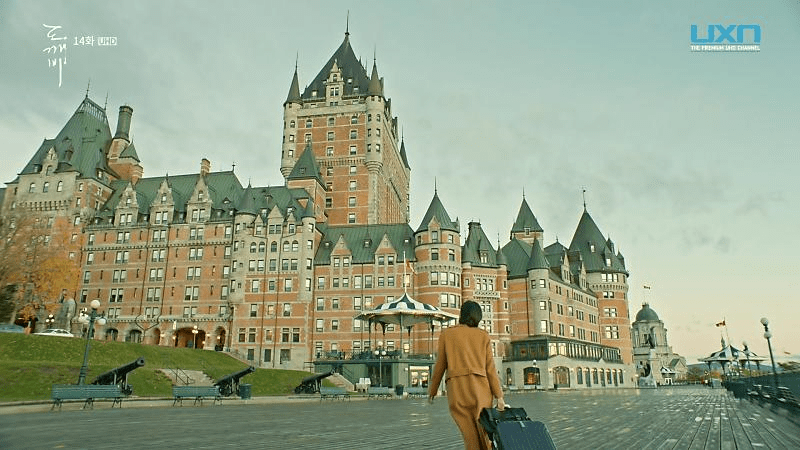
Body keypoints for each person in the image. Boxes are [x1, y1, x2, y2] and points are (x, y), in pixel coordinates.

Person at [429, 300, 505, 450]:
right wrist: (499, 396)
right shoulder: (483, 336)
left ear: (461, 315)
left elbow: (440, 365)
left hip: (458, 391)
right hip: (481, 390)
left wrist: (432, 390)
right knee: (484, 432)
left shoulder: (447, 334)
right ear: (478, 317)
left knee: (469, 435)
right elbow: (490, 369)